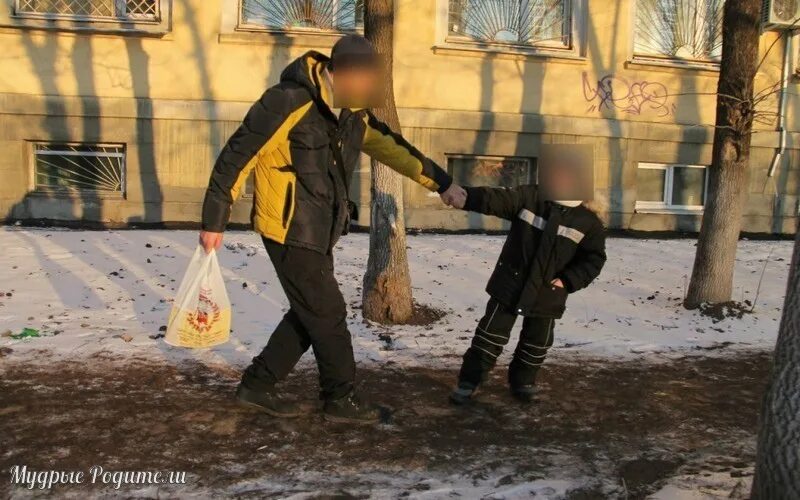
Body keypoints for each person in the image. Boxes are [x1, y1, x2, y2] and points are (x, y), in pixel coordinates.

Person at [199, 35, 467, 423]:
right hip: (287, 226)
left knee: (311, 312)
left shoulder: (353, 113)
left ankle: (258, 385)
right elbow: (239, 153)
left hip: (320, 228)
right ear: (338, 72)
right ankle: (340, 398)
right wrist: (214, 219)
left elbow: (395, 148)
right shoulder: (289, 99)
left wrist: (442, 184)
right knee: (328, 314)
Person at [446, 153, 606, 405]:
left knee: (536, 343)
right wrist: (466, 197)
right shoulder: (531, 197)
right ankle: (469, 382)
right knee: (489, 336)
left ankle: (523, 382)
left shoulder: (589, 222)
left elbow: (594, 259)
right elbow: (496, 198)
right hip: (510, 283)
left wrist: (567, 280)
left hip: (548, 292)